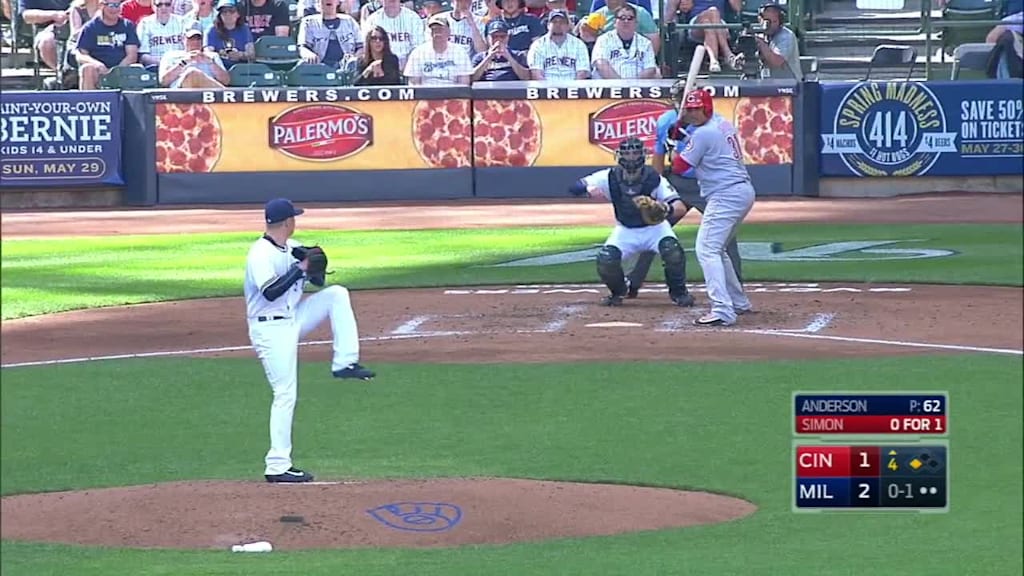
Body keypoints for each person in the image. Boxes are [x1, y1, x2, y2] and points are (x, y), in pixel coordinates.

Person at [245, 198, 375, 484]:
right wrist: (300, 269)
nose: (296, 222)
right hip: (270, 330)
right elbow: (270, 293)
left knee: (337, 294)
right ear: (287, 222)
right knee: (285, 393)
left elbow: (318, 285)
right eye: (294, 218)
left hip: (294, 318)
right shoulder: (260, 254)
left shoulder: (292, 248)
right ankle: (277, 465)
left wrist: (314, 266)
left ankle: (344, 363)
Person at [625, 80, 743, 300]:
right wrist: (658, 188)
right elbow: (659, 156)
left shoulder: (711, 124)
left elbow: (687, 159)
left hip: (706, 185)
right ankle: (631, 282)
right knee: (653, 228)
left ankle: (735, 289)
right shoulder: (666, 121)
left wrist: (681, 138)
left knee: (725, 237)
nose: (686, 105)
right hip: (677, 183)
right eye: (681, 98)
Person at [567, 137, 696, 308]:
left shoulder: (653, 178)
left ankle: (679, 293)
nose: (631, 157)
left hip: (655, 229)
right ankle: (619, 291)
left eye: (635, 153)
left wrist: (664, 209)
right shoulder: (609, 176)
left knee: (672, 252)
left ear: (642, 155)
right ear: (619, 155)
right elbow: (575, 187)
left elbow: (679, 206)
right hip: (625, 230)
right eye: (627, 153)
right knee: (606, 260)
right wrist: (587, 190)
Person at [673, 90, 754, 326]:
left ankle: (722, 309)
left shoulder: (704, 134)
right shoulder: (721, 123)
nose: (693, 113)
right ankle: (738, 303)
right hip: (740, 192)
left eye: (697, 109)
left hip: (725, 195)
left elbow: (679, 167)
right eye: (690, 109)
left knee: (706, 249)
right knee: (718, 250)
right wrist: (685, 136)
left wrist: (676, 142)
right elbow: (699, 145)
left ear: (706, 108)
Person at [75, 0, 141, 89]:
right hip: (99, 70)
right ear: (101, 5)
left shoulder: (127, 26)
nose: (114, 9)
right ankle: (90, 101)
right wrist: (97, 64)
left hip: (122, 68)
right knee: (87, 68)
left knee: (136, 68)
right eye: (111, 5)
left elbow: (132, 56)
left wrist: (116, 71)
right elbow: (81, 55)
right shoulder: (90, 27)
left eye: (117, 5)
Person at [667, 0, 740, 72]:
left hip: (719, 22)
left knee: (707, 23)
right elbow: (684, 8)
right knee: (713, 11)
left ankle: (713, 60)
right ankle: (728, 55)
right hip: (696, 23)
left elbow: (737, 8)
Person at [589, 4, 658, 79]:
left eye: (630, 18)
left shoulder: (645, 43)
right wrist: (621, 84)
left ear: (636, 23)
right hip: (608, 86)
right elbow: (601, 65)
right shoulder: (603, 40)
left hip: (638, 86)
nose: (626, 21)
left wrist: (632, 85)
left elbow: (650, 69)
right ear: (615, 23)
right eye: (622, 18)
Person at [403, 13, 472, 84]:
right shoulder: (418, 53)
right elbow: (414, 84)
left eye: (440, 29)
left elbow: (464, 84)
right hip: (426, 92)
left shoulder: (460, 52)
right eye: (434, 29)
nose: (437, 33)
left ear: (448, 32)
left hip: (452, 92)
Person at [741, 2, 801, 80]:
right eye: (767, 21)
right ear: (760, 20)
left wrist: (760, 43)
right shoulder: (759, 35)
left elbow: (777, 61)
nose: (771, 25)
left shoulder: (787, 36)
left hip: (788, 85)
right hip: (765, 85)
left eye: (774, 21)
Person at [526, 8, 589, 79]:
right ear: (548, 25)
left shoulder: (579, 44)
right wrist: (547, 89)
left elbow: (582, 73)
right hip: (546, 87)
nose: (558, 25)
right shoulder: (538, 45)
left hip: (572, 87)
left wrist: (572, 89)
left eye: (562, 22)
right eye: (554, 22)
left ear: (568, 26)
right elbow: (536, 73)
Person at [360, 0, 424, 68]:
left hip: (410, 66)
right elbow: (368, 48)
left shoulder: (413, 18)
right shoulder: (372, 20)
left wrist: (407, 65)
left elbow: (418, 47)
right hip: (381, 67)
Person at [297, 0, 361, 68]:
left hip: (347, 69)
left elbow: (361, 47)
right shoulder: (308, 22)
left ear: (338, 2)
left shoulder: (349, 21)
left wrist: (354, 58)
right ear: (318, 2)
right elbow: (302, 47)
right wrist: (308, 55)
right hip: (319, 68)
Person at [158, 25, 229, 86]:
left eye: (198, 39)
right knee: (192, 73)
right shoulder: (170, 56)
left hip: (208, 93)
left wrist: (211, 62)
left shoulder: (212, 56)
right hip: (180, 93)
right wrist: (184, 62)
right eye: (191, 39)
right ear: (183, 39)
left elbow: (226, 81)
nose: (195, 42)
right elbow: (164, 81)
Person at [17, 0, 72, 70]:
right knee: (47, 41)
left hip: (77, 24)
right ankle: (61, 74)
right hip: (45, 28)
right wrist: (53, 15)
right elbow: (27, 16)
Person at [137, 0, 188, 69]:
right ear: (153, 6)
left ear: (172, 6)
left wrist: (178, 64)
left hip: (180, 66)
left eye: (167, 4)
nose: (163, 7)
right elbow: (143, 55)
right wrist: (164, 64)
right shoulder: (145, 23)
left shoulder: (182, 22)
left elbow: (189, 51)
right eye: (159, 4)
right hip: (155, 67)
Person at [205, 0, 253, 65]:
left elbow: (251, 53)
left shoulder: (244, 29)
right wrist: (219, 54)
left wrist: (240, 55)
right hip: (219, 69)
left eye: (231, 11)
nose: (228, 14)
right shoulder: (212, 30)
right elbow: (208, 53)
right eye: (224, 12)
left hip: (240, 68)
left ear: (238, 14)